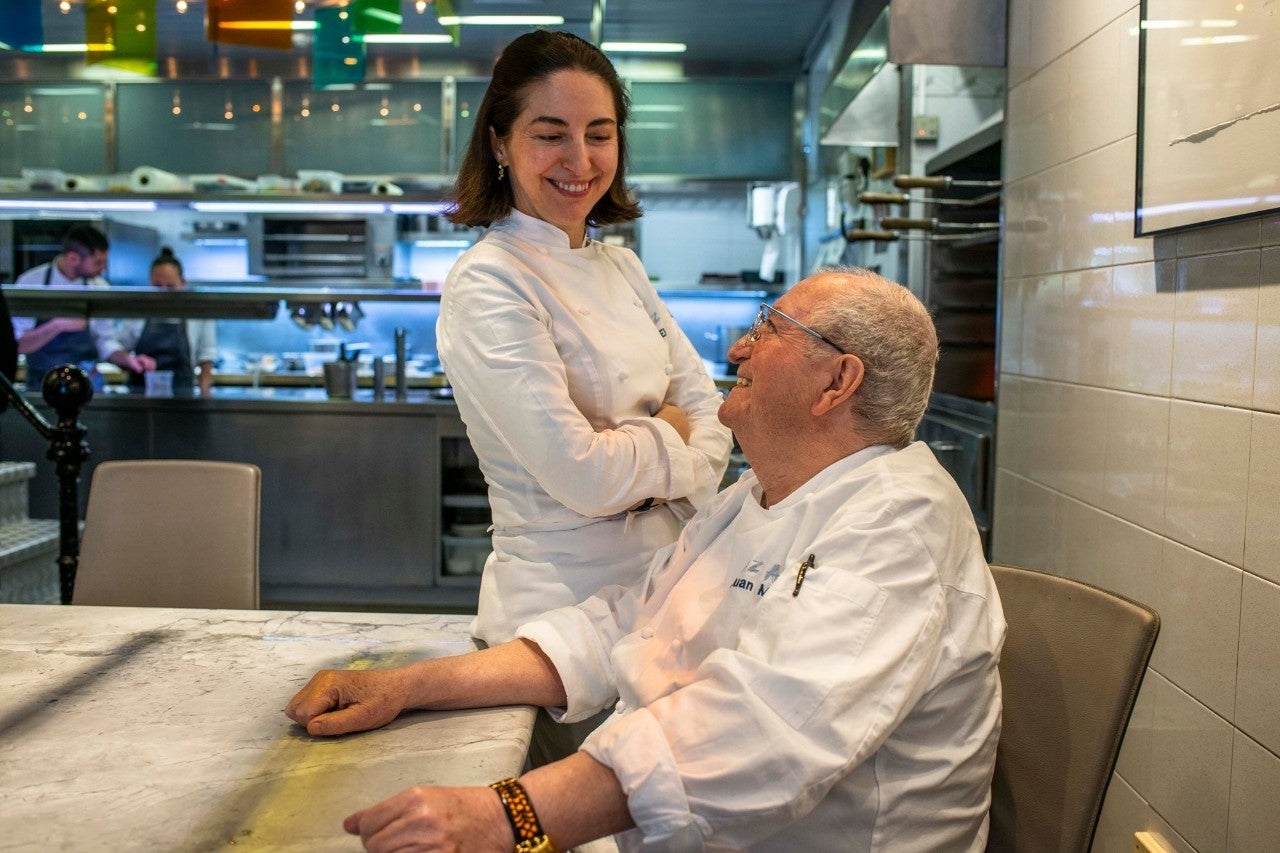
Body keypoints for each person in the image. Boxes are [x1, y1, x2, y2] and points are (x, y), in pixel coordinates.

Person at [287, 268, 1007, 853]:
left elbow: (765, 730)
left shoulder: (897, 524)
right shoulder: (755, 497)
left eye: (769, 329)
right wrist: (406, 685)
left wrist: (505, 816)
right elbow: (628, 623)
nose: (738, 351)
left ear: (837, 382)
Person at [437, 33, 732, 649]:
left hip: (666, 594)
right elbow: (582, 478)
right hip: (557, 617)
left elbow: (713, 421)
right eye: (550, 135)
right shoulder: (490, 281)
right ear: (500, 142)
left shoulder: (622, 267)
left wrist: (650, 450)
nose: (581, 159)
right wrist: (668, 431)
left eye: (599, 134)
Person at [12, 224, 150, 391]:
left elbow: (105, 341)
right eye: (98, 262)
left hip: (87, 383)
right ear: (72, 258)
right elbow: (20, 345)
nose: (104, 268)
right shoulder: (31, 282)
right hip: (43, 383)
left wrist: (128, 360)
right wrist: (58, 324)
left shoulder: (99, 287)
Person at [115, 247, 217, 397]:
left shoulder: (197, 312)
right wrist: (132, 362)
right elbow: (118, 349)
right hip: (140, 399)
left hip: (182, 398)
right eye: (157, 286)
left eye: (170, 287)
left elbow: (206, 356)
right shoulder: (138, 311)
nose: (163, 292)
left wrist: (205, 394)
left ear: (182, 283)